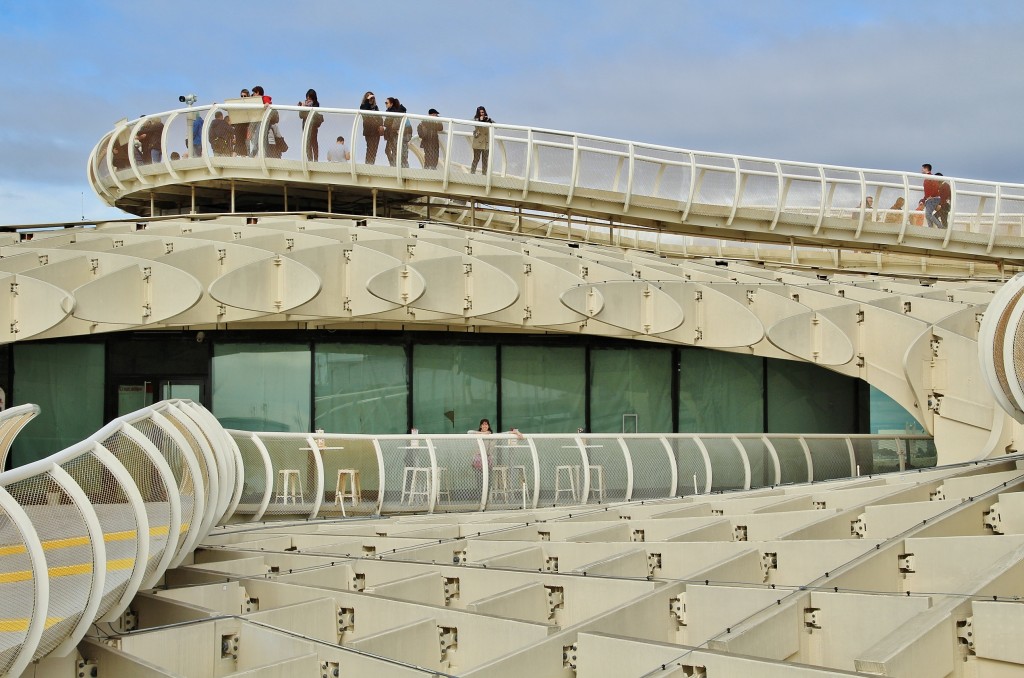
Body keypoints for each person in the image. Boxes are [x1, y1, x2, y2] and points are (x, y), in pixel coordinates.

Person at [383, 97, 412, 168]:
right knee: (396, 152)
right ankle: (396, 166)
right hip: (396, 135)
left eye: (387, 103)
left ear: (391, 104)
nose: (385, 104)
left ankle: (396, 166)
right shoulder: (393, 112)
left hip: (397, 136)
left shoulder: (394, 113)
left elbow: (390, 124)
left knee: (398, 153)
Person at [298, 88, 322, 161]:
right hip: (305, 126)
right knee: (307, 143)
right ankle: (310, 159)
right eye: (307, 97)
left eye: (310, 97)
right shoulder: (305, 104)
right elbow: (301, 115)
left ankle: (316, 159)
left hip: (313, 126)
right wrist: (302, 107)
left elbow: (313, 114)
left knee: (313, 142)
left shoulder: (316, 104)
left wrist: (306, 108)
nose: (308, 99)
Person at [359, 92, 383, 164]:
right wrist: (367, 101)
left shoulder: (375, 107)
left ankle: (372, 164)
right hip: (369, 131)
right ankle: (367, 164)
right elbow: (364, 111)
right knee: (370, 148)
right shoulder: (363, 106)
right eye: (368, 96)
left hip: (376, 131)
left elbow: (380, 117)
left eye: (372, 97)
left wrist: (381, 125)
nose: (371, 98)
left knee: (375, 149)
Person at [470, 106, 494, 174]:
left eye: (482, 112)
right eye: (480, 113)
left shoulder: (487, 119)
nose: (482, 114)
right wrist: (480, 120)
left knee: (485, 160)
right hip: (478, 143)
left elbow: (495, 125)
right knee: (476, 159)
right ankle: (472, 172)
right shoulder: (476, 120)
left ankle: (484, 174)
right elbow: (474, 125)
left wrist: (489, 121)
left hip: (486, 143)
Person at [921, 163, 942, 228]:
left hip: (933, 199)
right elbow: (927, 191)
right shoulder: (928, 177)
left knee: (928, 214)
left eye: (922, 169)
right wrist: (924, 200)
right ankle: (931, 228)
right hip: (930, 199)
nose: (921, 170)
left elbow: (936, 187)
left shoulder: (930, 177)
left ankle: (940, 226)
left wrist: (931, 196)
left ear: (926, 168)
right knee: (927, 215)